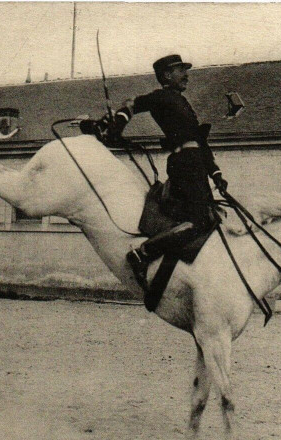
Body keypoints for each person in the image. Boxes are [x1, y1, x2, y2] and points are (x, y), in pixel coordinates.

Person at [107, 54, 228, 290]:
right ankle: (143, 253)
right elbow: (131, 105)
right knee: (198, 221)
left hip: (195, 165)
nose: (186, 75)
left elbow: (200, 142)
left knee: (212, 218)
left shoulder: (183, 103)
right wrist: (116, 126)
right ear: (166, 75)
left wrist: (216, 174)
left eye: (185, 70)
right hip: (184, 165)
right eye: (180, 70)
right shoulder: (161, 97)